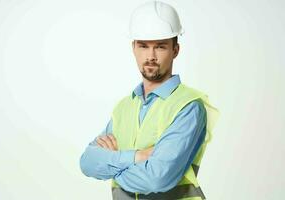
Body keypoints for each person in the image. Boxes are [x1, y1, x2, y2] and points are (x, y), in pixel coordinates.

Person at [79, 1, 219, 200]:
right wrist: (137, 156)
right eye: (144, 46)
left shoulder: (188, 106)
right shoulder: (124, 107)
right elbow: (87, 162)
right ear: (134, 48)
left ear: (175, 50)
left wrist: (112, 166)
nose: (151, 56)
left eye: (160, 47)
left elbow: (156, 179)